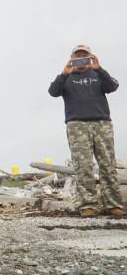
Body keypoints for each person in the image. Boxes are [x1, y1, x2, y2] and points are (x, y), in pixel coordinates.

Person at [48, 44, 123, 218]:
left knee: (107, 164)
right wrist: (64, 73)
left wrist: (99, 68)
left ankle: (113, 205)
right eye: (77, 56)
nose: (81, 59)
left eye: (84, 55)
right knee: (83, 166)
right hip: (77, 125)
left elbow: (113, 87)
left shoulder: (98, 74)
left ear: (90, 57)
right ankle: (88, 205)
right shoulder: (66, 77)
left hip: (102, 123)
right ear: (72, 58)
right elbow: (53, 92)